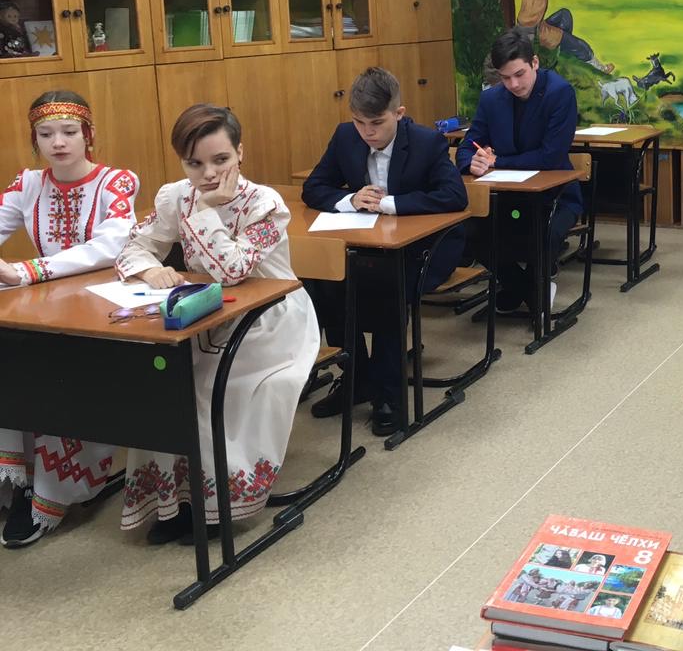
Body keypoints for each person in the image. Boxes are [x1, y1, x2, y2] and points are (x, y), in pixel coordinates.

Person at [116, 104, 319, 544]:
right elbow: (132, 248)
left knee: (212, 385)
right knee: (164, 382)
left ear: (240, 152)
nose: (208, 174)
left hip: (270, 317)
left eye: (220, 160)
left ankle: (215, 505)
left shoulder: (265, 203)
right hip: (203, 315)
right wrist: (150, 269)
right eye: (194, 164)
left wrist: (206, 210)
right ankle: (174, 501)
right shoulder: (175, 195)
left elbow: (232, 270)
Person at [0, 91, 138, 548]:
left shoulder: (116, 182)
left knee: (55, 374)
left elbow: (109, 247)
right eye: (45, 134)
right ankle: (16, 478)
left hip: (104, 308)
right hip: (43, 306)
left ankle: (51, 492)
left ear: (88, 135)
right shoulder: (28, 184)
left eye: (69, 132)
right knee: (10, 360)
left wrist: (28, 270)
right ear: (34, 139)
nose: (57, 142)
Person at [301, 67, 468, 435]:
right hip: (368, 248)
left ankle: (389, 393)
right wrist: (349, 200)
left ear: (399, 114)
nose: (367, 132)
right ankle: (357, 376)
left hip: (425, 249)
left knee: (388, 288)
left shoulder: (426, 142)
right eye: (359, 122)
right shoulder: (346, 136)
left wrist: (390, 204)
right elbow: (314, 187)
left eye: (376, 123)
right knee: (325, 281)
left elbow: (455, 196)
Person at [457, 29, 582, 312]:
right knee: (469, 231)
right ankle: (525, 287)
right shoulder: (491, 100)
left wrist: (497, 161)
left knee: (543, 235)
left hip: (556, 197)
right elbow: (466, 148)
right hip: (506, 198)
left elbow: (551, 157)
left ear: (535, 63)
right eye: (505, 78)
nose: (513, 84)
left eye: (519, 74)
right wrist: (472, 162)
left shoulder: (559, 92)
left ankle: (529, 285)